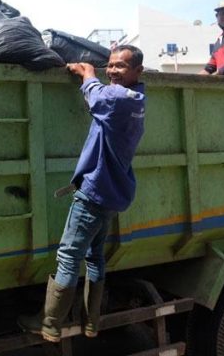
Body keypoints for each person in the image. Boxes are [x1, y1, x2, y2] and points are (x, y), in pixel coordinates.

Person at [19, 45, 146, 342]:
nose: (113, 70)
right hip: (113, 194)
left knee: (68, 256)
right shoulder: (137, 98)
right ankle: (91, 323)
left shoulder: (117, 98)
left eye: (121, 66)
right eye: (110, 65)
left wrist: (87, 73)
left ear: (138, 72)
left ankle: (49, 323)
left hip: (94, 193)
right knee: (94, 256)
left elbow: (97, 96)